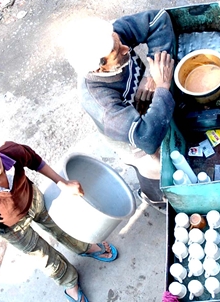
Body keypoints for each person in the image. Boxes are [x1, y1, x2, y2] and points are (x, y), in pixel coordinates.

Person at [0, 127, 118, 302]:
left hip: (32, 200)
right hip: (11, 228)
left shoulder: (13, 152)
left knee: (62, 226)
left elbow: (35, 161)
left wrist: (63, 183)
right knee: (44, 257)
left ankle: (85, 247)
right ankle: (70, 283)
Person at [65, 11, 176, 208]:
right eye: (118, 52)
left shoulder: (110, 40)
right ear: (100, 68)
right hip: (129, 137)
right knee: (156, 165)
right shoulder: (101, 104)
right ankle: (155, 198)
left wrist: (151, 72)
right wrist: (162, 87)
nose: (126, 48)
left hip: (149, 98)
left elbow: (158, 19)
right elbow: (146, 139)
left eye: (119, 41)